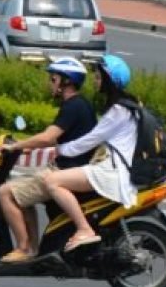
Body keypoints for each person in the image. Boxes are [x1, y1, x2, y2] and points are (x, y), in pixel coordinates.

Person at [39, 54, 145, 253]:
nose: (95, 81)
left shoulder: (118, 110)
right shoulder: (129, 105)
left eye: (98, 77)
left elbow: (90, 140)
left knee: (52, 181)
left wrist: (61, 149)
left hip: (112, 172)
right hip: (116, 167)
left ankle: (84, 229)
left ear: (109, 80)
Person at [0, 56, 97, 262]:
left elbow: (48, 137)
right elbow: (64, 137)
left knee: (5, 192)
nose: (50, 83)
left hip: (63, 171)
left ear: (66, 81)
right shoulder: (82, 105)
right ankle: (33, 247)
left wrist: (15, 146)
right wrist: (27, 147)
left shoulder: (72, 106)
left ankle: (25, 248)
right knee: (21, 190)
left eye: (53, 79)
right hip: (73, 168)